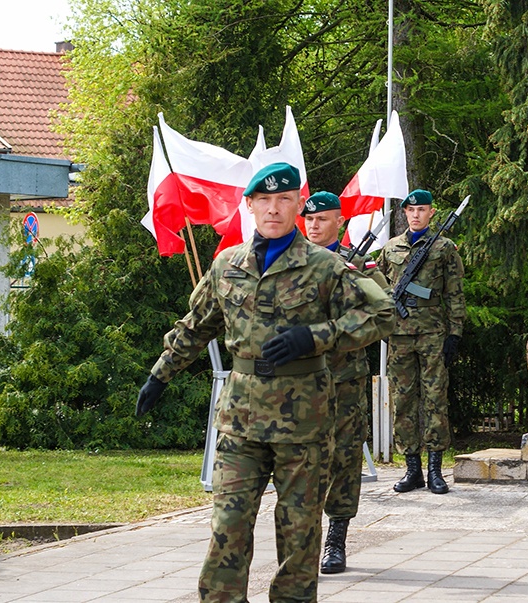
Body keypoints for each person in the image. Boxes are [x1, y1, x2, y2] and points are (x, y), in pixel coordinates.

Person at [135, 163, 395, 603]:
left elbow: (382, 313)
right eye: (265, 201)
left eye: (284, 200)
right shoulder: (227, 265)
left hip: (304, 425)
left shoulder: (326, 266)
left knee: (298, 537)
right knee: (227, 529)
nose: (274, 209)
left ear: (296, 204)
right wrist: (160, 373)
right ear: (250, 205)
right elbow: (196, 326)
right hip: (241, 420)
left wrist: (316, 336)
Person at [301, 190, 389, 574]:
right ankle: (303, 538)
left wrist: (337, 335)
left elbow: (383, 315)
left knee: (344, 458)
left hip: (344, 380)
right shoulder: (291, 265)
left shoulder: (361, 268)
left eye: (322, 219)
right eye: (309, 219)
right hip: (299, 381)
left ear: (339, 221)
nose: (314, 226)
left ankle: (336, 538)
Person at [379, 189, 465, 495]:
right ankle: (412, 469)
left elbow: (454, 292)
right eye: (411, 210)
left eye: (422, 210)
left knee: (434, 400)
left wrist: (454, 333)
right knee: (403, 401)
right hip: (399, 336)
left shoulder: (443, 248)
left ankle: (435, 470)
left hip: (431, 334)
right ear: (404, 213)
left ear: (431, 213)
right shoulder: (390, 248)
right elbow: (379, 288)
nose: (416, 215)